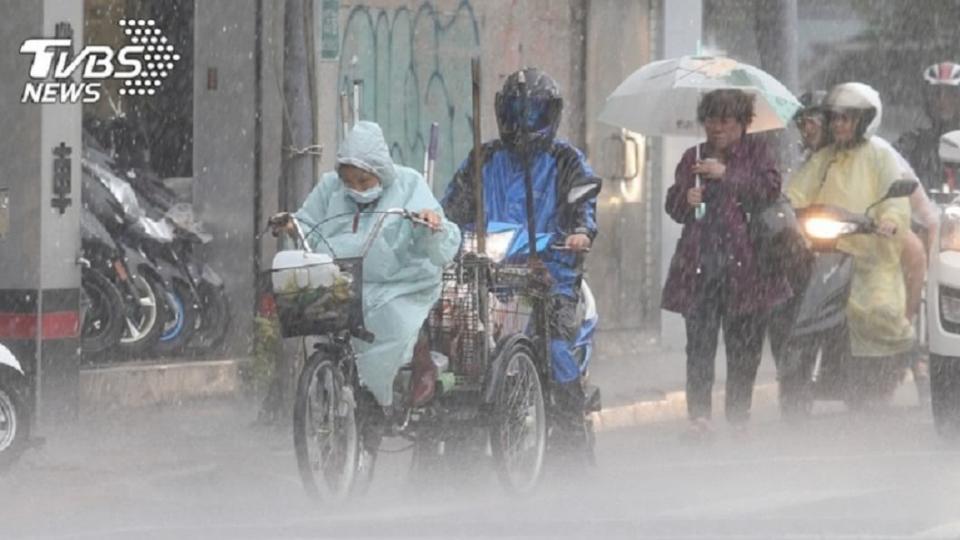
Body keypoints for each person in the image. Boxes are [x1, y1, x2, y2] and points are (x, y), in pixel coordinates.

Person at [442, 67, 601, 434]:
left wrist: (580, 232)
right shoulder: (483, 158)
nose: (523, 123)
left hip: (547, 273)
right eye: (515, 112)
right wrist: (438, 226)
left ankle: (569, 431)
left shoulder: (567, 160)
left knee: (556, 346)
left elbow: (584, 208)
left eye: (533, 113)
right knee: (444, 340)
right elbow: (453, 206)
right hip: (485, 271)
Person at [271, 121, 461, 426]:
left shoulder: (409, 185)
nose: (356, 189)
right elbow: (307, 221)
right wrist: (292, 225)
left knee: (390, 323)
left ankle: (410, 372)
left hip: (400, 285)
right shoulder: (329, 188)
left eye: (364, 180)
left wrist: (430, 224)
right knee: (323, 317)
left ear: (381, 172)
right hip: (342, 279)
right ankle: (351, 398)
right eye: (349, 182)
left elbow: (444, 239)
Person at [662, 89, 791, 439]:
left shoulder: (756, 154)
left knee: (744, 348)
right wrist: (685, 198)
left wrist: (726, 174)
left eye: (725, 120)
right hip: (701, 266)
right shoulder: (694, 156)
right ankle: (699, 417)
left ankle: (738, 416)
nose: (716, 127)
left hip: (748, 269)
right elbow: (674, 206)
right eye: (710, 119)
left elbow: (769, 189)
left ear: (742, 123)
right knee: (699, 346)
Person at [787, 83, 915, 378]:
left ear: (864, 121)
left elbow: (895, 201)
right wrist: (786, 211)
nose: (839, 125)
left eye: (846, 118)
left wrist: (889, 220)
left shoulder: (880, 157)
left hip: (869, 259)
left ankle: (891, 366)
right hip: (824, 256)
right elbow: (796, 193)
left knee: (878, 310)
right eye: (835, 118)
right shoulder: (822, 158)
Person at [897, 62, 960, 192]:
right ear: (927, 99)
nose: (942, 100)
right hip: (924, 211)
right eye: (936, 93)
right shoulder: (911, 144)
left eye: (951, 94)